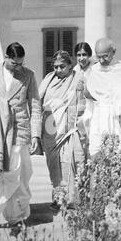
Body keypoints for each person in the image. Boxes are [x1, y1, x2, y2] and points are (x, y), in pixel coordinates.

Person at [0, 42, 42, 230]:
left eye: (20, 63)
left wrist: (36, 135)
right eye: (14, 64)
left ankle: (16, 218)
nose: (17, 67)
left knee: (16, 177)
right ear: (5, 57)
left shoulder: (28, 75)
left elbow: (35, 106)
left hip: (19, 132)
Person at [38, 50, 87, 212]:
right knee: (53, 165)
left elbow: (82, 102)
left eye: (62, 66)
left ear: (70, 65)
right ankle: (57, 196)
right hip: (50, 129)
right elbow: (40, 100)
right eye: (56, 66)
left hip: (68, 129)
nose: (58, 70)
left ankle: (68, 199)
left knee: (67, 162)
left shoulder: (77, 79)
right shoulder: (48, 79)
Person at [84, 38, 121, 160]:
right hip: (99, 116)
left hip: (120, 117)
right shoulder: (94, 70)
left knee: (119, 153)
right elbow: (88, 93)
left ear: (113, 52)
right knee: (97, 152)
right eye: (98, 57)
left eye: (105, 56)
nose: (101, 60)